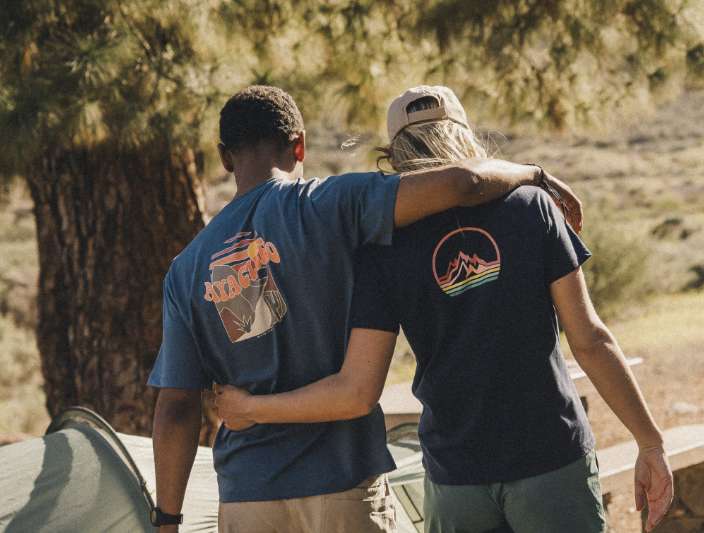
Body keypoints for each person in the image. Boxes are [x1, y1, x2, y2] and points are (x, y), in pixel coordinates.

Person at [215, 85, 674, 533]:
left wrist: (252, 407)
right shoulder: (532, 206)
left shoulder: (382, 244)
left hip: (457, 475)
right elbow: (590, 340)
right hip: (550, 457)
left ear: (395, 155)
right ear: (466, 135)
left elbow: (357, 388)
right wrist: (649, 443)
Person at [148, 85, 582, 533]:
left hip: (247, 497)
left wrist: (167, 519)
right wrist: (534, 175)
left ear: (224, 157)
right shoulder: (330, 204)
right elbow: (462, 183)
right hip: (343, 484)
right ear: (299, 144)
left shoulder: (187, 269)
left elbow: (177, 406)